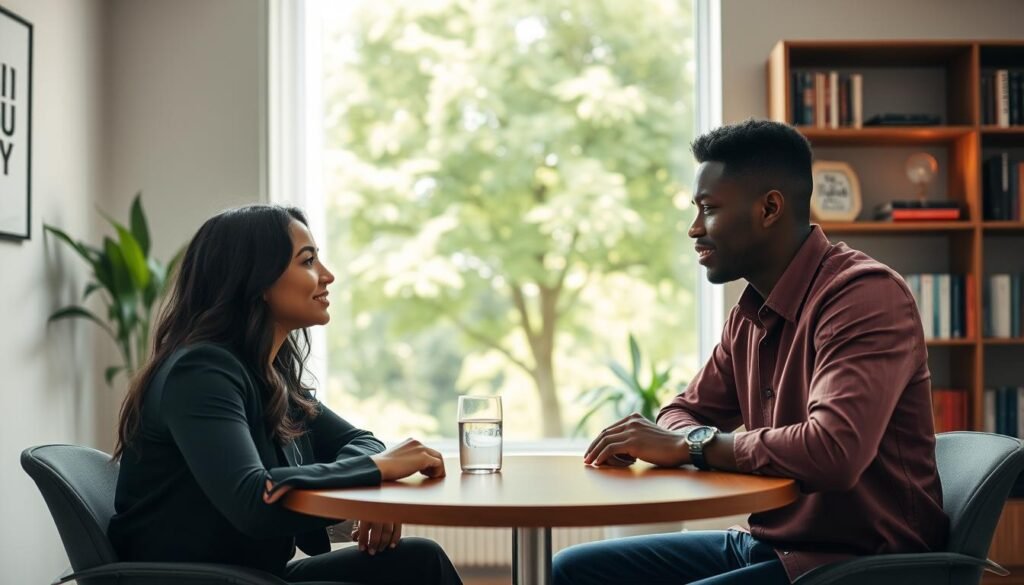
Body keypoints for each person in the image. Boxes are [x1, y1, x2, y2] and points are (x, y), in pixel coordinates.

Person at [553, 119, 948, 585]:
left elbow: (834, 451)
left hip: (862, 563)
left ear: (770, 208)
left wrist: (690, 446)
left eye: (709, 209)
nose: (694, 229)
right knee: (573, 570)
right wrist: (679, 439)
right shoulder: (751, 314)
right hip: (772, 545)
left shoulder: (863, 296)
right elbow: (680, 412)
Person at [108, 205, 462, 585]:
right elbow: (251, 503)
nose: (327, 276)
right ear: (257, 281)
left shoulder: (267, 372)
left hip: (249, 575)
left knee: (421, 560)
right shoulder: (201, 373)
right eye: (307, 261)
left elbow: (361, 441)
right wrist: (376, 471)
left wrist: (372, 488)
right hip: (202, 581)